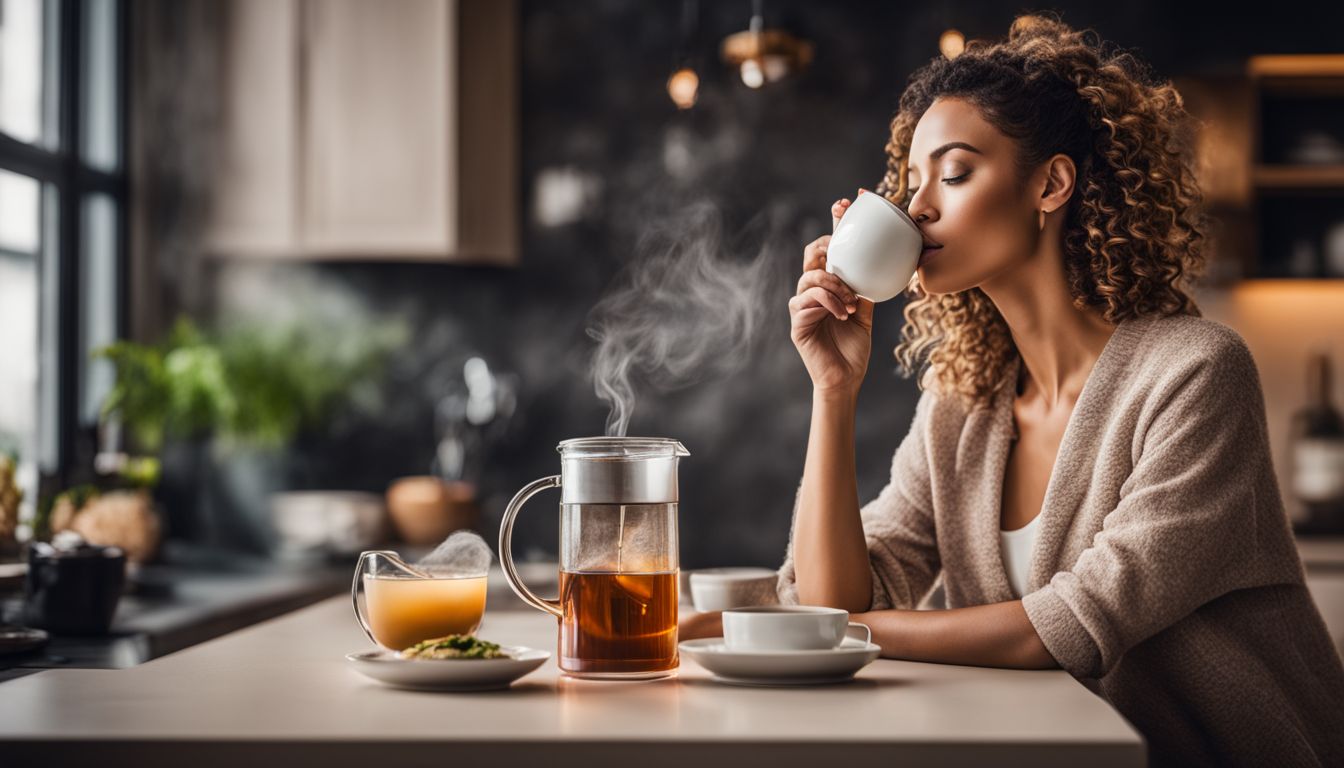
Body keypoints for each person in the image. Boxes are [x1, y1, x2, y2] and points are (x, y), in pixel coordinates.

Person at [679, 13, 1344, 767]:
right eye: (912, 182)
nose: (918, 207)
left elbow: (1067, 626)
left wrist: (835, 628)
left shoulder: (1194, 373)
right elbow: (835, 596)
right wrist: (833, 390)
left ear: (1051, 184)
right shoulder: (964, 406)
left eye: (955, 173)